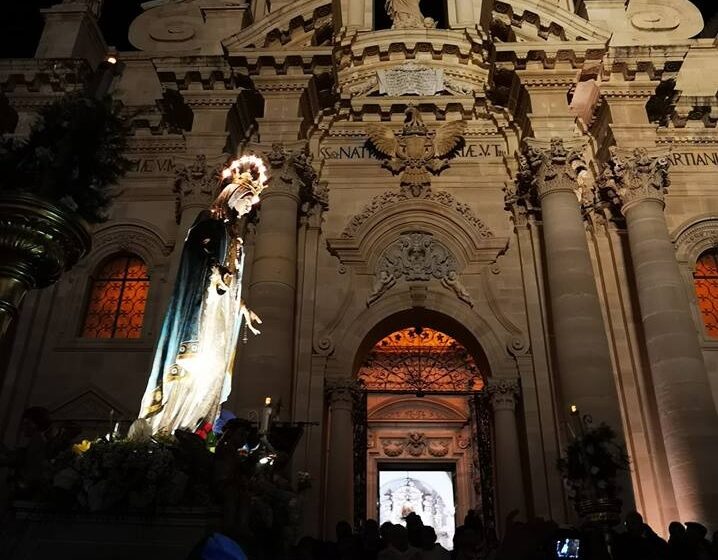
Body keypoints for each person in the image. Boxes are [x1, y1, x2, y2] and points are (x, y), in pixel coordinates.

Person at [139, 159, 265, 435]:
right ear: (233, 195)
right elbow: (195, 253)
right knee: (194, 368)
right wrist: (215, 270)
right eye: (246, 202)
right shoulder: (208, 222)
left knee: (214, 371)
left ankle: (196, 424)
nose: (247, 210)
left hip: (222, 310)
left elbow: (233, 279)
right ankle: (171, 425)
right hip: (202, 306)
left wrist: (242, 307)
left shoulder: (236, 240)